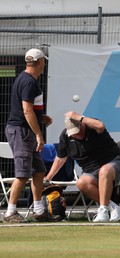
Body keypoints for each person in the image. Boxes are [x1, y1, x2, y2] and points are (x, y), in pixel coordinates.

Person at [44, 111, 120, 222]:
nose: (75, 135)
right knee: (81, 183)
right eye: (72, 133)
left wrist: (79, 117)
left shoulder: (92, 128)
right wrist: (48, 177)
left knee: (104, 171)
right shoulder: (66, 136)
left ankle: (103, 211)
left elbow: (101, 125)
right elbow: (60, 158)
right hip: (91, 171)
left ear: (82, 125)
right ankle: (114, 207)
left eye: (77, 131)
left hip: (114, 163)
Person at [2, 48, 53, 223]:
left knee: (39, 171)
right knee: (23, 174)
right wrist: (39, 135)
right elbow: (26, 110)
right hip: (21, 131)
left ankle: (39, 211)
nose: (44, 64)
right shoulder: (28, 81)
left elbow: (28, 109)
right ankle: (10, 212)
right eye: (44, 61)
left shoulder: (27, 79)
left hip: (24, 131)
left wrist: (41, 117)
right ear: (40, 62)